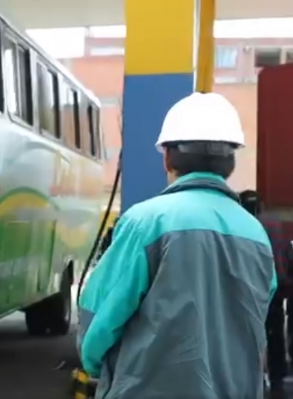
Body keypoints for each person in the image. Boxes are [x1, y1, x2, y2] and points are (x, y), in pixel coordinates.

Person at [77, 92, 277, 399]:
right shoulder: (255, 234)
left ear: (167, 156)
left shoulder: (146, 222)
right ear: (230, 161)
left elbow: (99, 317)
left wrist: (94, 364)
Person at [240, 189, 290, 398]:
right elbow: (284, 254)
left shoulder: (241, 225)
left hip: (249, 290)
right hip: (276, 287)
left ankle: (253, 380)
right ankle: (277, 381)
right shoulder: (274, 224)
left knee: (246, 336)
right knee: (275, 334)